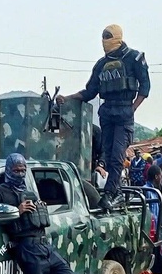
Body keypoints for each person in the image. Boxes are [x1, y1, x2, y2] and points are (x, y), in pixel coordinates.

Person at [59, 24, 150, 209]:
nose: (104, 40)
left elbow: (145, 87)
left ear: (117, 36)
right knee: (109, 157)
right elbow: (90, 92)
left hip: (124, 113)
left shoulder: (134, 58)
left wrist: (132, 109)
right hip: (107, 112)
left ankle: (109, 194)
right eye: (103, 37)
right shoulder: (101, 65)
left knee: (117, 156)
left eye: (108, 36)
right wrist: (67, 98)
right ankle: (115, 192)